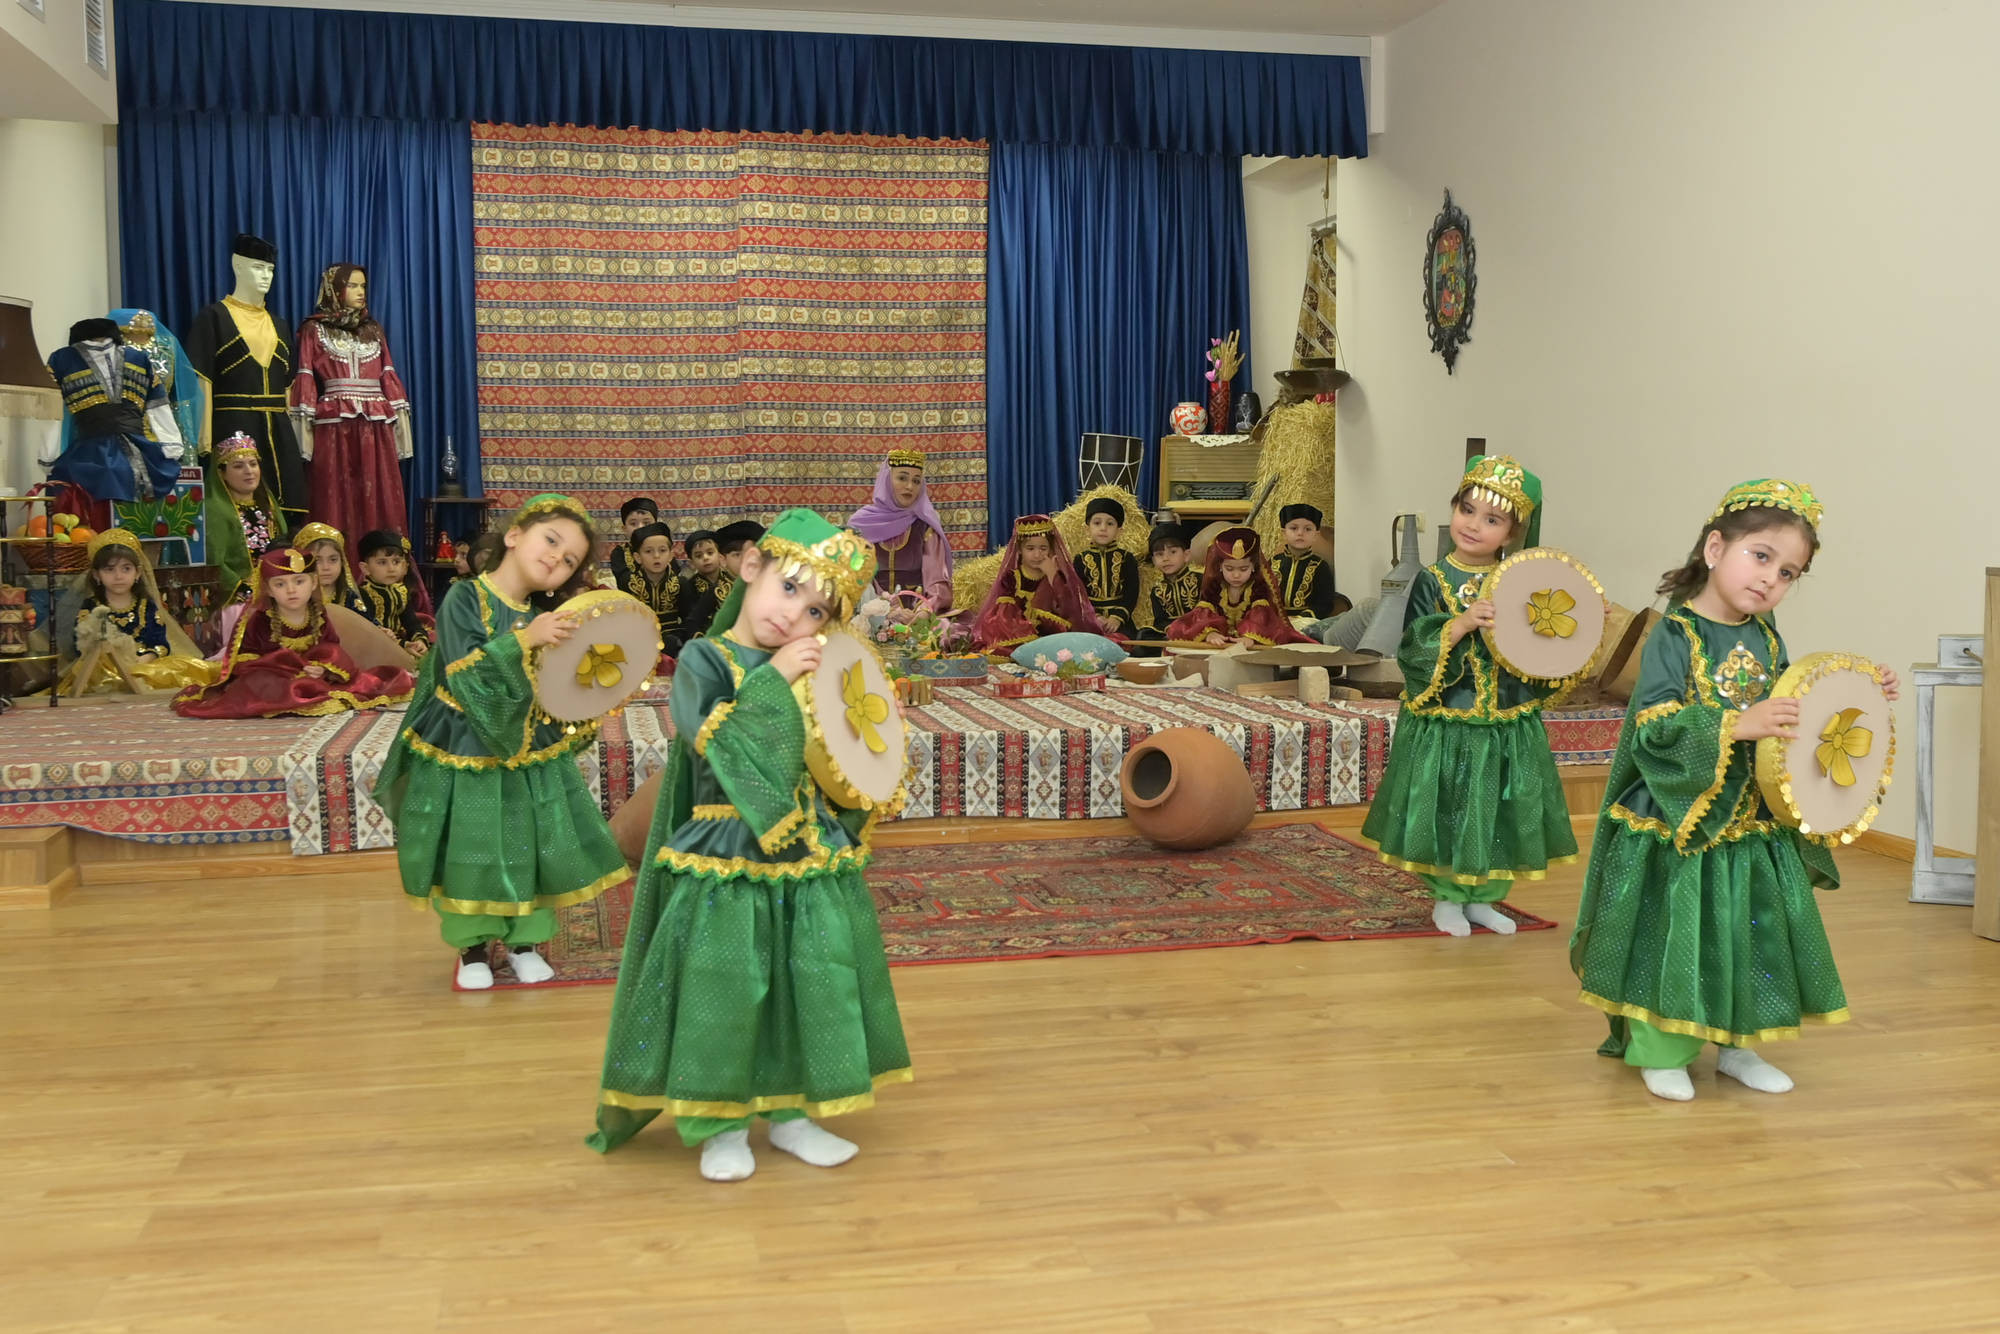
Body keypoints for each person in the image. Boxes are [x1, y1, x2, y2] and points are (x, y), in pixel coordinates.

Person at [588, 508, 911, 1180]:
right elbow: (712, 735)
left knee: (807, 979)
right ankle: (721, 1126)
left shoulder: (812, 666)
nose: (795, 616)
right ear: (752, 567)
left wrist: (866, 747)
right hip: (726, 850)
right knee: (724, 986)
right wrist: (775, 678)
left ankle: (792, 1114)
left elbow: (832, 757)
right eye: (789, 588)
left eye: (817, 611)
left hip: (803, 851)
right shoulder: (705, 659)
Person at [1569, 479, 1897, 1101]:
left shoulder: (1768, 638)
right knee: (1673, 931)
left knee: (1746, 929)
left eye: (1789, 572)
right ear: (1716, 548)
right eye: (1761, 556)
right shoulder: (1675, 634)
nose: (1772, 578)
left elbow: (1796, 711)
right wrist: (1735, 723)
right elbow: (1653, 725)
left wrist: (1856, 691)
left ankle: (1737, 1045)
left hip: (1749, 817)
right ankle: (1661, 1050)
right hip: (1679, 816)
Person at [372, 494, 629, 990]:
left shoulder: (544, 615)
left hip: (528, 750)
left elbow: (560, 685)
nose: (556, 558)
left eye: (569, 559)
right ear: (514, 535)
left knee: (529, 839)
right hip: (464, 746)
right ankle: (472, 948)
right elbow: (464, 670)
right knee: (471, 842)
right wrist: (526, 640)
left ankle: (524, 943)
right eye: (551, 540)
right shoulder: (464, 597)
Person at [1356, 455, 1574, 937]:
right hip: (1449, 719)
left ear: (1513, 533)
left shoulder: (1522, 583)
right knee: (1450, 807)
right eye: (1467, 510)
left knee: (1497, 808)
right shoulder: (1432, 579)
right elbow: (1413, 645)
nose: (1474, 525)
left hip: (1504, 720)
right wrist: (1460, 624)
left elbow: (1540, 646)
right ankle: (1448, 898)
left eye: (1492, 520)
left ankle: (1483, 898)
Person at [171, 547, 413, 719]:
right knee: (258, 682)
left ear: (313, 583)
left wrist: (323, 668)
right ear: (268, 589)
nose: (291, 590)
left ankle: (308, 690)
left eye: (299, 582)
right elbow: (244, 661)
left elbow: (331, 646)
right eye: (280, 584)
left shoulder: (318, 614)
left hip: (313, 676)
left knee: (349, 676)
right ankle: (295, 693)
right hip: (273, 678)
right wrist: (286, 666)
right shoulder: (259, 618)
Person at [289, 264, 414, 540]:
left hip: (376, 426)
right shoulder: (314, 330)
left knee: (378, 491)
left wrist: (402, 433)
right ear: (335, 289)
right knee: (334, 492)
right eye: (353, 285)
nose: (360, 292)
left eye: (363, 286)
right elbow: (306, 376)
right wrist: (303, 439)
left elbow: (387, 374)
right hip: (335, 425)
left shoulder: (373, 330)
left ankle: (380, 559)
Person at [57, 528, 216, 696]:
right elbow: (81, 645)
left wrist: (145, 659)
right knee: (101, 676)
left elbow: (160, 642)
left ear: (138, 573)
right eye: (109, 569)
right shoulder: (91, 607)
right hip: (106, 669)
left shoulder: (146, 606)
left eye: (126, 569)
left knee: (183, 667)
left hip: (143, 666)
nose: (118, 576)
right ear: (96, 575)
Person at [965, 515, 1106, 652]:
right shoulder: (1012, 578)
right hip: (1021, 635)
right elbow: (1004, 615)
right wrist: (1028, 628)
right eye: (1030, 548)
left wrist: (1052, 576)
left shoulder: (1058, 576)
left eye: (1043, 548)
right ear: (1019, 550)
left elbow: (1070, 609)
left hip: (1054, 635)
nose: (1037, 554)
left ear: (1051, 549)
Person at [1164, 526, 1312, 647]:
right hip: (1220, 642)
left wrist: (1251, 637)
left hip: (1249, 642)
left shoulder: (1257, 588)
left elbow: (1262, 617)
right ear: (1220, 566)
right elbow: (1203, 614)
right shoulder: (1215, 587)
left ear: (1253, 567)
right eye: (1229, 569)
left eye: (1243, 569)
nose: (1236, 575)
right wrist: (1210, 633)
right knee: (1179, 631)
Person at [848, 447, 954, 610]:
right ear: (886, 480)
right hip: (869, 611)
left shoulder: (925, 528)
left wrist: (924, 611)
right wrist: (883, 609)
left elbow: (937, 583)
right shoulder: (860, 525)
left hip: (915, 612)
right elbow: (854, 576)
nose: (910, 486)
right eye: (902, 478)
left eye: (916, 481)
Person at [202, 432, 287, 604]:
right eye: (238, 466)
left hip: (278, 591)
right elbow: (214, 561)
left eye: (253, 464)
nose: (249, 471)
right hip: (239, 599)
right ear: (222, 473)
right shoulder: (214, 510)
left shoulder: (269, 505)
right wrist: (246, 592)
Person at [627, 520, 709, 657]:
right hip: (639, 639)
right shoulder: (629, 583)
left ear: (671, 555)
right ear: (637, 557)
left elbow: (689, 618)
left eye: (662, 550)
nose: (656, 556)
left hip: (673, 639)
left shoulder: (680, 583)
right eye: (648, 551)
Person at [354, 530, 434, 657]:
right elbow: (370, 632)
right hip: (373, 650)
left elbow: (412, 623)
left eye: (396, 562)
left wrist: (419, 641)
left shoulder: (400, 591)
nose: (391, 569)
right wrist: (403, 645)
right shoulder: (362, 595)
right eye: (382, 562)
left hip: (400, 644)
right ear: (365, 568)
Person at [1072, 497, 1140, 635]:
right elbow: (1079, 593)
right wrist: (1095, 616)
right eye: (1097, 523)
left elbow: (1132, 592)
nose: (1103, 528)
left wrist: (1117, 618)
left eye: (1110, 523)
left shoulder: (1127, 558)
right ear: (1087, 529)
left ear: (1119, 531)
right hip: (1090, 620)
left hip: (1120, 622)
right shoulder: (1080, 559)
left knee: (1127, 644)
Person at [1270, 503, 1344, 628]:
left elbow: (1324, 603)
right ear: (1283, 533)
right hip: (1274, 620)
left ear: (1315, 535)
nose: (1300, 533)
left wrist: (1301, 617)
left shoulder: (1320, 566)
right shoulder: (1272, 562)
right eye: (1294, 528)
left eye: (1308, 529)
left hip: (1305, 622)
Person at [293, 522, 370, 618]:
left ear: (342, 562)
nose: (326, 567)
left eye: (333, 560)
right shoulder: (294, 596)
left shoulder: (350, 597)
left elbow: (366, 624)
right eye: (317, 560)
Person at [1144, 521, 1201, 639]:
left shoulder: (1200, 580)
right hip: (1172, 632)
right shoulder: (1158, 590)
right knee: (1144, 635)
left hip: (1199, 628)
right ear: (1154, 561)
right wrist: (1171, 628)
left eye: (1173, 552)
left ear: (1186, 555)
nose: (1166, 558)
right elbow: (1159, 621)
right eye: (1159, 554)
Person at [610, 497, 660, 595]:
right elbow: (624, 582)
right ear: (624, 529)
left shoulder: (664, 549)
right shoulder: (619, 553)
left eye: (646, 523)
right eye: (633, 523)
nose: (640, 527)